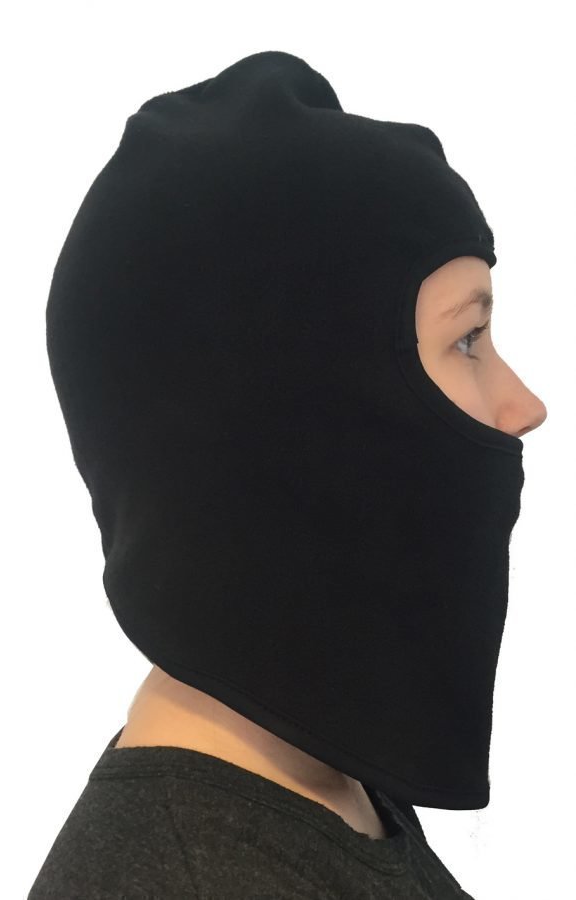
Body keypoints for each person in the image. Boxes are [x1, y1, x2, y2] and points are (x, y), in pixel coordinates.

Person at [113, 253, 546, 839]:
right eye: (467, 340)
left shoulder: (318, 760)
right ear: (298, 396)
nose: (526, 406)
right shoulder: (185, 864)